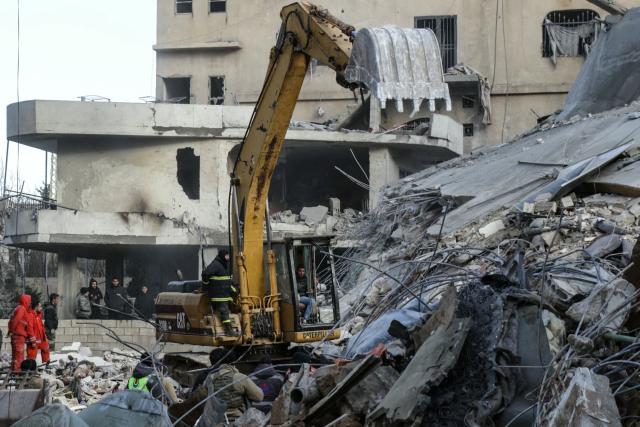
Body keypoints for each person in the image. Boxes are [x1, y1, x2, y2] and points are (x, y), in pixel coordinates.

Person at [203, 348, 263, 422]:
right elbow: (259, 397)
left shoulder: (209, 379)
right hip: (238, 420)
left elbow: (203, 401)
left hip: (215, 421)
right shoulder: (239, 377)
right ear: (230, 362)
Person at [202, 248, 238, 336]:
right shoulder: (216, 264)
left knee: (226, 312)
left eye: (228, 256)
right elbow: (205, 274)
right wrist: (206, 285)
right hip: (219, 296)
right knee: (224, 312)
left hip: (223, 295)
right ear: (222, 255)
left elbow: (226, 280)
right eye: (226, 256)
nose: (228, 257)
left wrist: (235, 289)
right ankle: (229, 331)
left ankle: (229, 329)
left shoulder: (223, 265)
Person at [8, 294, 35, 372]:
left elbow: (12, 321)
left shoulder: (18, 308)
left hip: (17, 335)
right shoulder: (22, 309)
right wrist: (12, 330)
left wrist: (11, 331)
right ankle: (17, 371)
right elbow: (16, 320)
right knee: (19, 355)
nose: (30, 303)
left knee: (15, 355)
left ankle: (14, 369)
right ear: (26, 301)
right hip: (19, 335)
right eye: (29, 301)